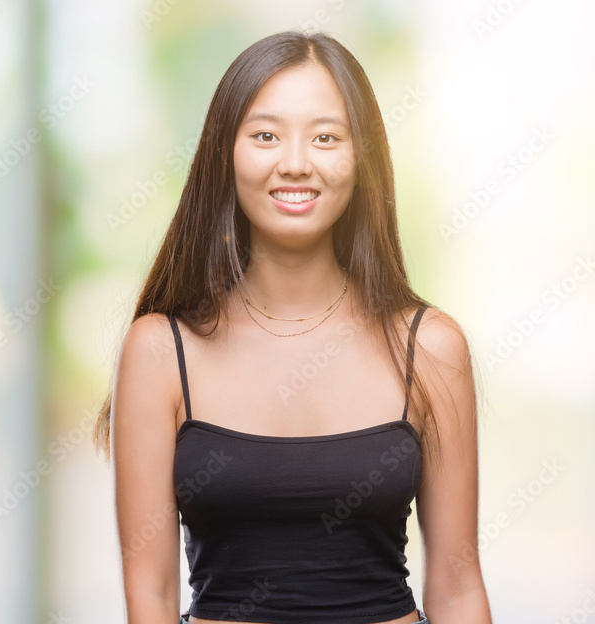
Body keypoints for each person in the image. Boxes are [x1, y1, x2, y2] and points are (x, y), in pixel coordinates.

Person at [91, 30, 492, 624]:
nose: (296, 162)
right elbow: (149, 598)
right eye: (265, 135)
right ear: (225, 154)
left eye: (326, 137)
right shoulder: (160, 350)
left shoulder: (429, 347)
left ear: (364, 159)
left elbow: (457, 589)